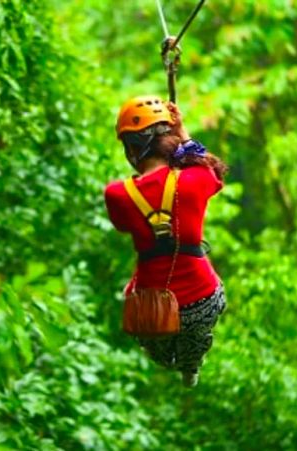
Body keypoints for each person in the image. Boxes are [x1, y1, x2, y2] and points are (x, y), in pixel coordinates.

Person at [104, 95, 227, 387]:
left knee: (150, 335)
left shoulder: (117, 194)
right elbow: (211, 169)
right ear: (168, 141)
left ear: (131, 150)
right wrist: (182, 133)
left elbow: (122, 225)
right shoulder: (196, 178)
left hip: (151, 309)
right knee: (202, 317)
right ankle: (193, 358)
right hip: (202, 300)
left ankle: (176, 359)